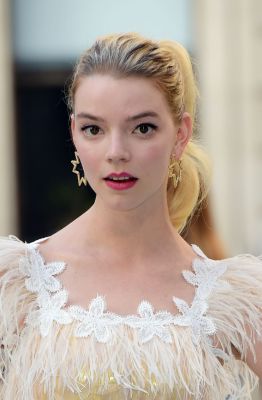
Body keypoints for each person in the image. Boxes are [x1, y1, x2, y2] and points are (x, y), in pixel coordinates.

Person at [0, 32, 261, 400]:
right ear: (74, 134)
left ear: (181, 136)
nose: (117, 152)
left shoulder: (231, 299)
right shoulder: (15, 283)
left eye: (143, 128)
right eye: (94, 129)